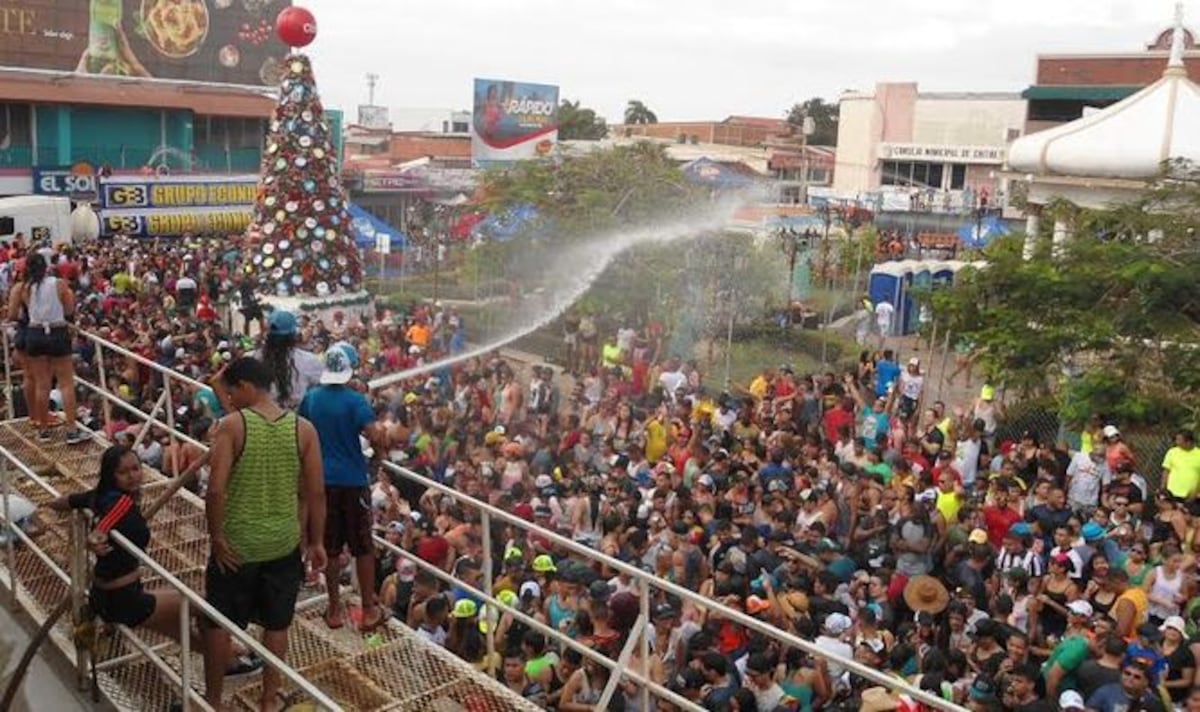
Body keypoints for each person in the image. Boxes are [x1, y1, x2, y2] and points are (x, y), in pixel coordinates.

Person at [47, 445, 261, 676]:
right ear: (111, 475)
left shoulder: (98, 496)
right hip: (125, 601)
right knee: (205, 606)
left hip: (106, 595)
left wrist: (50, 504)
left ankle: (228, 659)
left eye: (136, 469)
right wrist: (93, 540)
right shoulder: (121, 504)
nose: (132, 476)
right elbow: (100, 531)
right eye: (123, 472)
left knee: (177, 630)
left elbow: (66, 501)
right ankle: (228, 657)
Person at [202, 357, 327, 711]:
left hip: (237, 545)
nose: (228, 397)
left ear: (245, 388)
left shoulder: (232, 426)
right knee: (277, 624)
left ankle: (213, 699)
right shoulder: (303, 430)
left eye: (230, 391)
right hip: (284, 543)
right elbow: (316, 492)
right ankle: (269, 699)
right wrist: (316, 541)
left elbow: (215, 490)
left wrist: (216, 538)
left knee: (218, 623)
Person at [298, 343, 389, 632]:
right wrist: (379, 451)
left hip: (320, 482)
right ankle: (368, 610)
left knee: (331, 548)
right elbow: (375, 435)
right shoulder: (356, 401)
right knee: (362, 547)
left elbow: (300, 431)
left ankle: (334, 609)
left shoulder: (311, 398)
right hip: (352, 481)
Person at [9, 252, 87, 444]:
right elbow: (69, 309)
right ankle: (71, 430)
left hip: (35, 334)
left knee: (42, 384)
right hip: (57, 332)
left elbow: (20, 312)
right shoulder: (59, 284)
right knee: (66, 383)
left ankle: (42, 430)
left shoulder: (25, 288)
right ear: (46, 267)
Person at [258, 309, 322, 409]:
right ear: (293, 335)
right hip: (297, 420)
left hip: (259, 419)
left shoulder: (252, 358)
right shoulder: (310, 361)